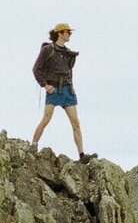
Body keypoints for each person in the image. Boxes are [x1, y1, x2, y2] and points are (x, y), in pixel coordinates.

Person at [32, 23, 96, 163]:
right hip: (54, 89)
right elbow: (36, 69)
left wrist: (71, 88)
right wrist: (45, 85)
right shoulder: (47, 50)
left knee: (76, 123)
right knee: (46, 119)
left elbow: (69, 71)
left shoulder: (67, 52)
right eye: (68, 32)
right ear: (60, 33)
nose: (69, 35)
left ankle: (82, 155)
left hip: (67, 90)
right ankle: (33, 146)